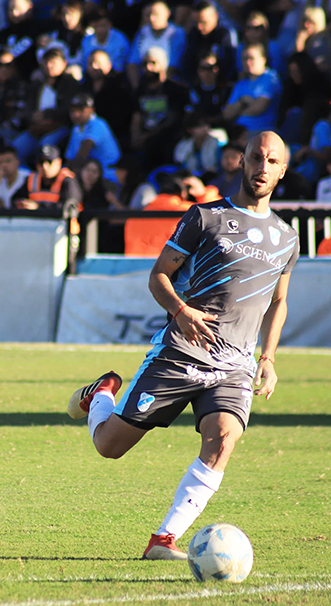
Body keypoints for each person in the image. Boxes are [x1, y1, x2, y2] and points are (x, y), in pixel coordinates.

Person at [66, 131, 298, 560]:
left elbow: (279, 302)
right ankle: (101, 393)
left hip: (236, 364)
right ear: (241, 162)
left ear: (282, 170)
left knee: (223, 438)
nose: (261, 168)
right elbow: (158, 275)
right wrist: (181, 311)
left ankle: (163, 540)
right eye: (255, 158)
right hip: (181, 353)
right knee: (109, 447)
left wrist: (268, 358)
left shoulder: (287, 237)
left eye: (271, 161)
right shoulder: (205, 218)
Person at [65, 94, 121, 181]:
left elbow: (85, 149)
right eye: (72, 111)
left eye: (81, 110)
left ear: (91, 110)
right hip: (91, 176)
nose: (76, 115)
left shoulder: (98, 124)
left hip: (108, 175)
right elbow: (70, 158)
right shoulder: (76, 129)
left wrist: (74, 175)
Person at [14, 145, 80, 209]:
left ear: (59, 163)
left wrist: (38, 207)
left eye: (49, 162)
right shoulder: (32, 179)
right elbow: (16, 198)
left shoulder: (67, 180)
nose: (45, 167)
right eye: (41, 162)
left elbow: (70, 206)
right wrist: (21, 203)